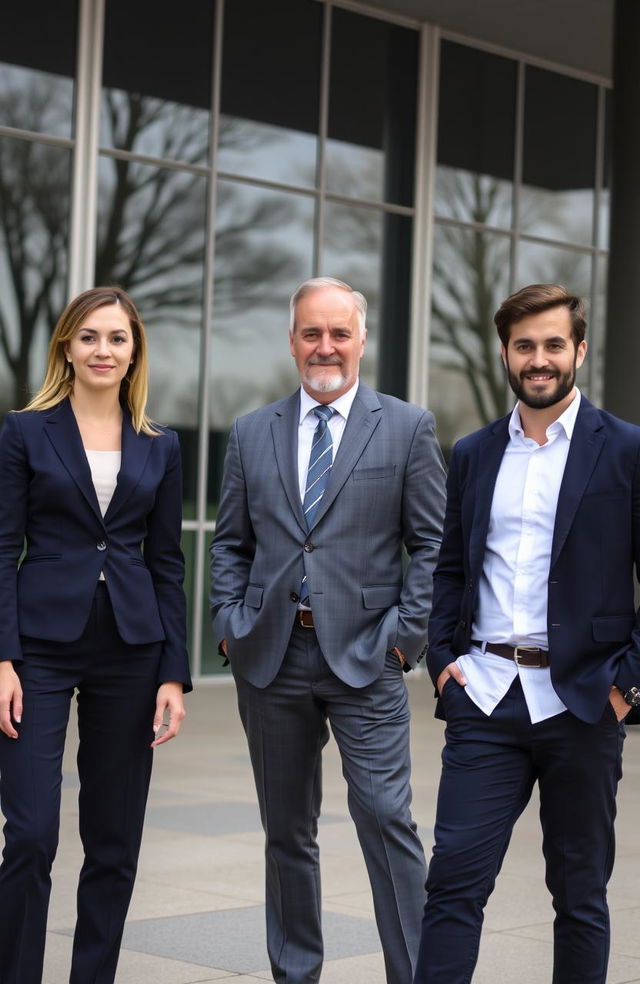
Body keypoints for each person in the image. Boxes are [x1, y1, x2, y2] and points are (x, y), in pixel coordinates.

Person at [210, 277, 446, 983]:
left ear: (361, 340)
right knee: (288, 835)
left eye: (339, 332)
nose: (325, 346)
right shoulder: (252, 432)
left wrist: (404, 639)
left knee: (385, 820)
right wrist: (229, 624)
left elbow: (434, 546)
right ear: (292, 341)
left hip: (367, 656)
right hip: (271, 657)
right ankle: (296, 973)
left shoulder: (407, 428)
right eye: (311, 333)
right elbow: (229, 544)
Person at [414, 283, 640, 984]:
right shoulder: (476, 452)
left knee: (579, 897)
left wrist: (626, 686)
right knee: (452, 885)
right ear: (506, 353)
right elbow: (449, 568)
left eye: (551, 345)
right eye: (523, 346)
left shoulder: (627, 450)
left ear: (578, 350)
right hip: (485, 698)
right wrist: (445, 662)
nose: (537, 360)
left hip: (584, 700)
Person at [0, 286, 192, 984]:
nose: (102, 350)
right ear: (66, 347)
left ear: (134, 350)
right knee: (29, 834)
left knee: (113, 841)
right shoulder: (25, 431)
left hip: (132, 650)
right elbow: (1, 545)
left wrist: (174, 672)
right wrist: (2, 657)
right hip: (40, 650)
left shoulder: (161, 444)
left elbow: (167, 561)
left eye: (116, 338)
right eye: (89, 337)